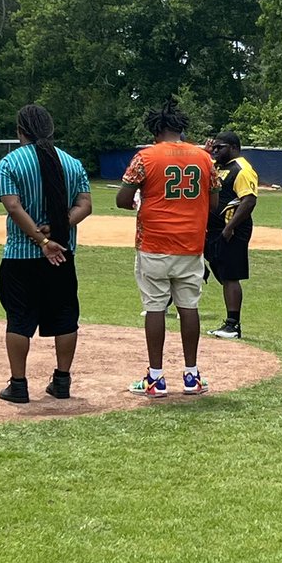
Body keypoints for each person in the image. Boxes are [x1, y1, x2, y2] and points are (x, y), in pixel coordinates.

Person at [117, 98, 218, 397]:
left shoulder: (145, 157)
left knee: (154, 308)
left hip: (153, 243)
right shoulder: (203, 158)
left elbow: (123, 199)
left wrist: (141, 201)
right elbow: (212, 203)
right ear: (181, 129)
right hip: (190, 243)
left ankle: (156, 379)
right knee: (189, 308)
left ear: (156, 129)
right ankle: (192, 376)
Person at [0, 105, 93, 404]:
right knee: (65, 317)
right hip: (63, 254)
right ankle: (62, 382)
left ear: (20, 130)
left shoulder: (10, 162)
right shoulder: (73, 163)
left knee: (19, 319)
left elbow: (13, 206)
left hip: (21, 255)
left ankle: (19, 384)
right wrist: (57, 228)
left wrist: (40, 240)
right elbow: (85, 204)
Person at [204, 130, 258, 339]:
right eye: (214, 147)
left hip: (232, 229)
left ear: (234, 147)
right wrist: (208, 154)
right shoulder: (217, 166)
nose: (216, 150)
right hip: (215, 229)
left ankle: (233, 324)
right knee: (221, 270)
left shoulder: (242, 169)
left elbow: (249, 200)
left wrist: (230, 227)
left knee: (230, 276)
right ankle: (230, 322)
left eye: (220, 147)